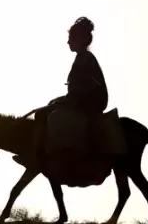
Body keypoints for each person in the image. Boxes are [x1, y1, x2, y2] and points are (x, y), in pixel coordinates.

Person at [30, 17, 108, 166]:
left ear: (81, 38)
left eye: (71, 38)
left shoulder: (85, 58)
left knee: (47, 114)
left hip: (89, 103)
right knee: (49, 107)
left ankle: (51, 153)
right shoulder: (82, 57)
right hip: (81, 100)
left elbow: (82, 90)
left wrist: (65, 101)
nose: (68, 42)